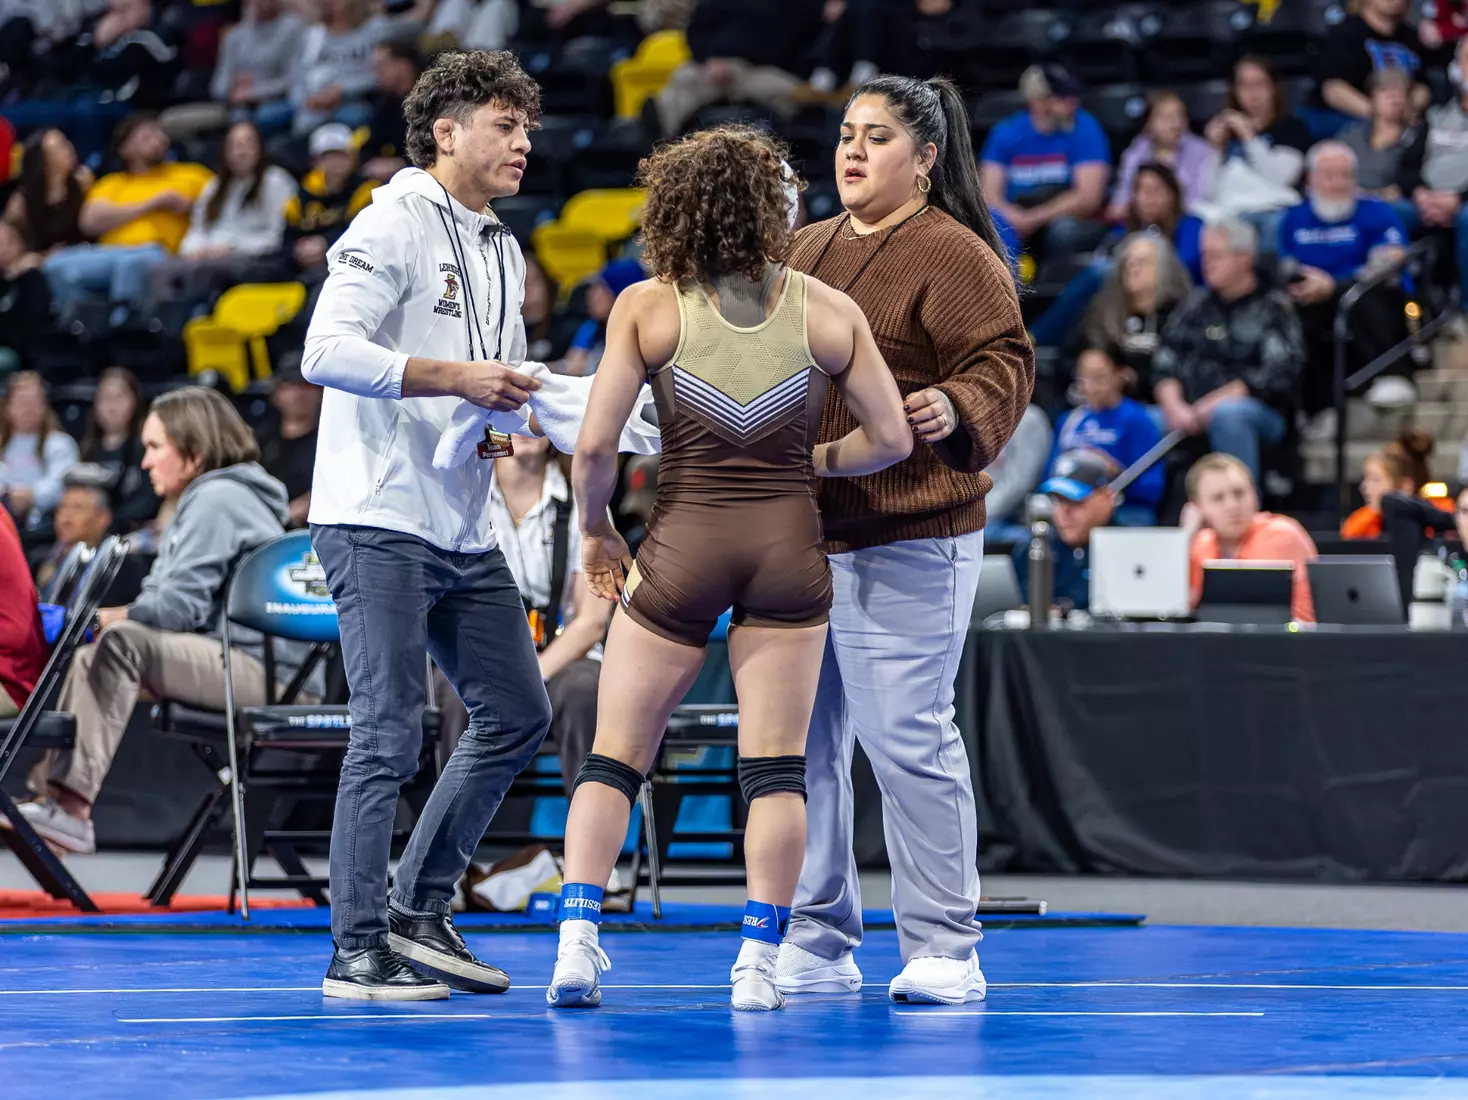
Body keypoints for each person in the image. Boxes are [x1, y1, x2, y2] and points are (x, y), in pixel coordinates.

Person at [548, 124, 912, 1012]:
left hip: (682, 546)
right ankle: (757, 962)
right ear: (773, 211)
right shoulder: (828, 309)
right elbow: (894, 438)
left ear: (674, 208)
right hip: (790, 550)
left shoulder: (647, 306)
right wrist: (811, 468)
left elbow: (594, 448)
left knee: (616, 758)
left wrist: (596, 531)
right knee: (777, 770)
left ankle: (578, 942)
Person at [300, 49, 557, 1001]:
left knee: (518, 712)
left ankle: (418, 909)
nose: (523, 142)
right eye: (505, 124)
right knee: (389, 733)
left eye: (526, 127)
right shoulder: (393, 220)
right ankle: (355, 948)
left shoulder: (504, 244)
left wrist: (506, 422)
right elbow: (325, 352)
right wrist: (455, 380)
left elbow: (496, 378)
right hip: (375, 517)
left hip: (460, 518)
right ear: (446, 133)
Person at [782, 75, 1033, 1005]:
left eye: (876, 138)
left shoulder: (954, 252)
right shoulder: (803, 248)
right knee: (804, 746)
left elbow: (1005, 361)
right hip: (806, 533)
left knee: (906, 740)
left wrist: (957, 404)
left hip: (913, 531)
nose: (852, 152)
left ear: (925, 159)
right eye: (846, 135)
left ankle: (944, 945)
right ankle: (817, 932)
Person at [7, 388, 288, 855]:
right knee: (94, 653)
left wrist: (92, 618)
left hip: (264, 672)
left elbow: (176, 609)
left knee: (119, 643)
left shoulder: (219, 498)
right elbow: (164, 600)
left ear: (194, 451)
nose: (145, 462)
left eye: (156, 448)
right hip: (230, 658)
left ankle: (70, 809)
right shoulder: (199, 499)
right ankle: (54, 802)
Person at [486, 434, 612, 793]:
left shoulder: (585, 501)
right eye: (514, 413)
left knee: (584, 691)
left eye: (537, 414)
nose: (525, 426)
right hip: (485, 655)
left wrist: (534, 673)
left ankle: (589, 836)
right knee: (453, 694)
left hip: (565, 655)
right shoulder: (465, 497)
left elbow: (591, 620)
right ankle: (457, 839)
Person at [1151, 219, 1305, 485]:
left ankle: (1241, 508)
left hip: (1259, 413)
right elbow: (1165, 357)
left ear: (1244, 258)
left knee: (1229, 415)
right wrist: (1173, 404)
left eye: (1216, 256)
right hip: (1188, 409)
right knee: (1144, 419)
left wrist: (1215, 402)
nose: (1206, 263)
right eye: (1204, 255)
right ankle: (1139, 516)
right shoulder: (1195, 304)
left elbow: (1280, 372)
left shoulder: (1273, 306)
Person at [1278, 140, 1412, 419]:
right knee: (1287, 313)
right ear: (1311, 179)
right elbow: (1285, 265)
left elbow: (1390, 261)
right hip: (1313, 298)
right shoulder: (1294, 218)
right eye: (1329, 175)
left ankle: (1392, 375)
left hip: (1367, 296)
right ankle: (1317, 408)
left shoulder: (1376, 211)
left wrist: (1334, 286)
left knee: (1364, 295)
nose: (1338, 183)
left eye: (1346, 175)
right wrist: (1307, 284)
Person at [56, 115, 212, 316]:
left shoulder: (191, 175)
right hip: (108, 253)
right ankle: (81, 326)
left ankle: (121, 330)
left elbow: (221, 206)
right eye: (146, 137)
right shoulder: (112, 183)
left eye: (158, 133)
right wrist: (155, 202)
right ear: (126, 149)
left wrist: (191, 207)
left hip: (157, 251)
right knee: (55, 265)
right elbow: (89, 222)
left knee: (130, 266)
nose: (157, 140)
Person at [151, 121, 298, 308]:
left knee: (202, 271)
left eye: (247, 144)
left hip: (250, 256)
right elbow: (197, 229)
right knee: (160, 270)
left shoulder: (276, 181)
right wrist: (195, 250)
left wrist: (231, 248)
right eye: (235, 145)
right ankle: (158, 324)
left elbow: (277, 235)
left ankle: (194, 320)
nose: (241, 151)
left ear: (260, 148)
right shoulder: (214, 186)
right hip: (208, 253)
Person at [980, 63, 1110, 261]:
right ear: (1038, 102)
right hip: (1014, 214)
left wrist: (1034, 218)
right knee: (993, 224)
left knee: (1064, 232)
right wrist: (1012, 217)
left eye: (1072, 96)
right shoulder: (1006, 132)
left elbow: (1087, 197)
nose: (1072, 103)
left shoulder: (1084, 128)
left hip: (1059, 216)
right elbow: (989, 194)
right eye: (1062, 97)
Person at [649, 0, 826, 138]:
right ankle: (656, 148)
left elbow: (811, 39)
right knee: (684, 80)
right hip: (713, 67)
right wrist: (707, 60)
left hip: (765, 71)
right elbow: (696, 31)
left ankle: (802, 161)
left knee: (797, 97)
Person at [1184, 452, 1318, 623]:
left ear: (1255, 495)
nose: (1232, 506)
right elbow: (1177, 609)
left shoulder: (1280, 534)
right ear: (1198, 508)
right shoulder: (1199, 544)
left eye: (1240, 493)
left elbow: (1238, 612)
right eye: (1218, 498)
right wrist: (1186, 538)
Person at [1200, 57, 1312, 248]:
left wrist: (1249, 137)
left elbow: (1282, 178)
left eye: (1259, 85)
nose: (1252, 94)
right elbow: (1208, 192)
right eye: (1244, 85)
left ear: (1273, 89)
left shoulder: (1291, 128)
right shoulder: (1226, 134)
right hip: (1229, 211)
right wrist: (1215, 150)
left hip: (1271, 209)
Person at [1396, 35, 1468, 313]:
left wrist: (1458, 198)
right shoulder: (1436, 113)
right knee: (1388, 214)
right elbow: (1407, 165)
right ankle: (1404, 309)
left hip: (1462, 204)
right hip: (1425, 199)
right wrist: (1420, 193)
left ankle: (1464, 313)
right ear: (1455, 67)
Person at [1051, 348, 1163, 526]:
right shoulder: (1069, 421)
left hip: (1121, 507)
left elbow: (1152, 486)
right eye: (1084, 378)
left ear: (1120, 376)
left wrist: (1115, 471)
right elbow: (1050, 474)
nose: (1091, 387)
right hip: (1072, 504)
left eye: (1099, 378)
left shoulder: (1137, 420)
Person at [1081, 231, 1194, 399]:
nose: (1133, 267)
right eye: (1128, 262)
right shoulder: (1105, 309)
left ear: (1164, 269)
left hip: (1160, 405)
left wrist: (1135, 378)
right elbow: (1078, 353)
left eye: (1142, 262)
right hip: (1107, 403)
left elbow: (1181, 369)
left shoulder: (1181, 313)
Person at [1012, 447, 1119, 612]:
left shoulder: (1129, 547)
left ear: (1106, 498)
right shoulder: (1034, 548)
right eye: (1058, 500)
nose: (1064, 513)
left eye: (1076, 502)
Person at [284, 123, 380, 280]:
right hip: (301, 266)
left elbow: (365, 236)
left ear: (352, 157)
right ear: (315, 161)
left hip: (349, 265)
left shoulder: (368, 192)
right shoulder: (301, 196)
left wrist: (325, 243)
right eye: (328, 156)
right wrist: (298, 251)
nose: (335, 163)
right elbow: (287, 240)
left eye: (341, 155)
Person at [1106, 91, 1218, 223]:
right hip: (1142, 221)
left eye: (1180, 116)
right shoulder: (1135, 153)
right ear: (1149, 123)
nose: (1176, 124)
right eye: (1167, 118)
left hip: (1185, 221)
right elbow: (1122, 199)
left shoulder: (1201, 151)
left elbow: (1199, 200)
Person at [1315, 0, 1430, 125]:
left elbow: (1423, 87)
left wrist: (1406, 108)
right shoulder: (1346, 34)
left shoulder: (1413, 39)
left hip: (1401, 122)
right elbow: (1333, 89)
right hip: (1342, 120)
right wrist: (1376, 113)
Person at [290, 0, 394, 136]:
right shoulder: (312, 35)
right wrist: (308, 100)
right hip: (315, 107)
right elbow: (296, 78)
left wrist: (342, 89)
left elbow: (381, 75)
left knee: (354, 116)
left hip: (357, 103)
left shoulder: (373, 29)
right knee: (303, 123)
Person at [78, 367, 160, 533]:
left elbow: (149, 498)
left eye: (119, 398)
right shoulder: (86, 448)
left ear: (135, 401)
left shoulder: (146, 447)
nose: (111, 406)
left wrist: (111, 521)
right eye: (105, 398)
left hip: (131, 531)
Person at [211, 0, 307, 134]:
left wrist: (254, 93)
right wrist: (232, 87)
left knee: (265, 115)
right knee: (238, 118)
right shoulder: (235, 36)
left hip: (279, 102)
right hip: (240, 106)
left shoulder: (292, 29)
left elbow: (294, 81)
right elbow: (218, 87)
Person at [0, 372, 80, 530]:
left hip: (45, 523)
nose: (27, 409)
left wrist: (31, 495)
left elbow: (63, 484)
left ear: (44, 406)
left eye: (33, 402)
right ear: (8, 407)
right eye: (21, 402)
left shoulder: (60, 444)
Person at [3, 129, 91, 262]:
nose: (68, 149)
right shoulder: (22, 202)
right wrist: (43, 256)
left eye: (66, 142)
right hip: (44, 262)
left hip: (85, 254)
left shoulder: (83, 181)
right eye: (59, 147)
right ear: (43, 161)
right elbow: (11, 243)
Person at [257, 357, 321, 528]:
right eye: (290, 386)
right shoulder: (260, 441)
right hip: (265, 526)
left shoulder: (331, 442)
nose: (299, 393)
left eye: (307, 386)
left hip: (311, 530)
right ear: (276, 394)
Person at [1343, 427, 1442, 538]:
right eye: (1365, 479)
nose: (1364, 487)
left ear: (1405, 487)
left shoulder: (1437, 524)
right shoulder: (1362, 522)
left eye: (1375, 480)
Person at [1339, 69, 1418, 200]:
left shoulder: (1415, 137)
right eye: (1385, 91)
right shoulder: (1352, 133)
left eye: (1400, 92)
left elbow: (1409, 181)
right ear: (1372, 98)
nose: (1394, 97)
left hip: (1391, 202)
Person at [982, 404, 1053, 547]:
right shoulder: (977, 414)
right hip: (981, 511)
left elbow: (1020, 481)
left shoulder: (1029, 419)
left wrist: (980, 513)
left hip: (1014, 517)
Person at [561, 258, 644, 376]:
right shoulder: (591, 327)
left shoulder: (640, 335)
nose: (592, 294)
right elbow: (571, 367)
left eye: (602, 288)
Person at [33, 471, 113, 589]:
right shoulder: (37, 560)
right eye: (62, 507)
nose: (66, 516)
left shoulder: (118, 567)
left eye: (78, 508)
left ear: (103, 518)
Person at [361, 37, 423, 183]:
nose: (377, 73)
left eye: (382, 65)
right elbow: (369, 146)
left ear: (404, 66)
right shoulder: (386, 103)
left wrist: (400, 165)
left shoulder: (434, 99)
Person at [0, 219, 51, 370]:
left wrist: (14, 278)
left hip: (23, 353)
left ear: (19, 245)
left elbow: (37, 317)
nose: (2, 249)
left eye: (5, 243)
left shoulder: (31, 277)